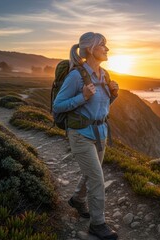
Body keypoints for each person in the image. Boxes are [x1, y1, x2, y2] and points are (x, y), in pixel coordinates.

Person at [53, 32, 119, 240]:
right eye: (103, 46)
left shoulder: (104, 75)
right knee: (97, 178)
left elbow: (102, 107)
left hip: (101, 133)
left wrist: (114, 95)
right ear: (90, 49)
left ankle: (77, 200)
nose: (107, 49)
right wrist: (83, 96)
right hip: (80, 134)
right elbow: (58, 105)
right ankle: (97, 225)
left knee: (92, 172)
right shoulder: (75, 76)